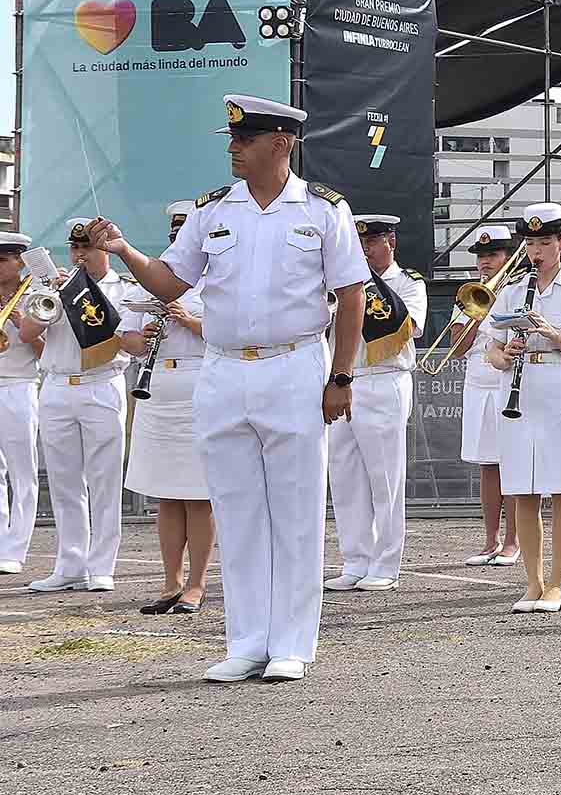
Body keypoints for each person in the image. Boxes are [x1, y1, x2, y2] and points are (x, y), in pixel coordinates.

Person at [89, 93, 370, 683]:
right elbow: (170, 279)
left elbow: (350, 295)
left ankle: (292, 642)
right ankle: (246, 641)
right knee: (237, 511)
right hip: (222, 369)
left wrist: (340, 375)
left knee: (294, 510)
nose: (233, 149)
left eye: (244, 139)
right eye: (231, 140)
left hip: (293, 365)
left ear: (280, 142)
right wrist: (122, 251)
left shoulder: (323, 210)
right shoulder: (212, 210)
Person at [484, 203, 561, 614]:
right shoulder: (512, 290)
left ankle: (557, 583)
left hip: (557, 390)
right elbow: (492, 351)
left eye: (545, 243)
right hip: (517, 389)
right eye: (531, 243)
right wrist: (506, 352)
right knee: (522, 490)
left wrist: (553, 335)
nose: (536, 251)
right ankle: (533, 582)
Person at [25, 218, 145, 593]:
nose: (80, 255)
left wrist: (84, 296)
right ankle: (70, 562)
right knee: (63, 482)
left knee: (104, 480)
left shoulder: (122, 289)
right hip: (57, 385)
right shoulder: (56, 287)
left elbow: (129, 340)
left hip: (100, 385)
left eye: (87, 248)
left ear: (103, 249)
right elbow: (28, 334)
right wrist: (51, 294)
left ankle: (101, 566)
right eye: (75, 248)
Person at [324, 214, 426, 593]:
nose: (365, 249)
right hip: (342, 379)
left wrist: (369, 286)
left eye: (373, 242)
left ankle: (385, 563)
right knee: (345, 475)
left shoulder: (408, 282)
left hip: (384, 380)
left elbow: (409, 328)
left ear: (391, 243)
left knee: (384, 477)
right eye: (360, 243)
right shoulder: (338, 286)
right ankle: (355, 559)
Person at [123, 202, 214, 614]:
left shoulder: (216, 280)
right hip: (157, 383)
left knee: (198, 495)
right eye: (175, 233)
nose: (179, 240)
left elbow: (235, 332)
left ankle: (197, 583)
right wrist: (144, 335)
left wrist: (190, 321)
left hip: (200, 381)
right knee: (165, 494)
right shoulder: (151, 279)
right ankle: (170, 580)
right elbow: (125, 339)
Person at [456, 226, 519, 567]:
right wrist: (473, 312)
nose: (485, 263)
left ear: (507, 258)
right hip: (478, 384)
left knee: (512, 463)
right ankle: (490, 539)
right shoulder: (469, 293)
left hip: (507, 383)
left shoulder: (520, 290)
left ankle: (513, 541)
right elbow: (457, 347)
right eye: (481, 257)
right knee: (488, 465)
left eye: (492, 255)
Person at [0, 231, 46, 576]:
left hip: (19, 384)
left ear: (19, 262)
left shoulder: (35, 297)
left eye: (2, 260)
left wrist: (22, 324)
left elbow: (49, 351)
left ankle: (16, 547)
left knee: (22, 470)